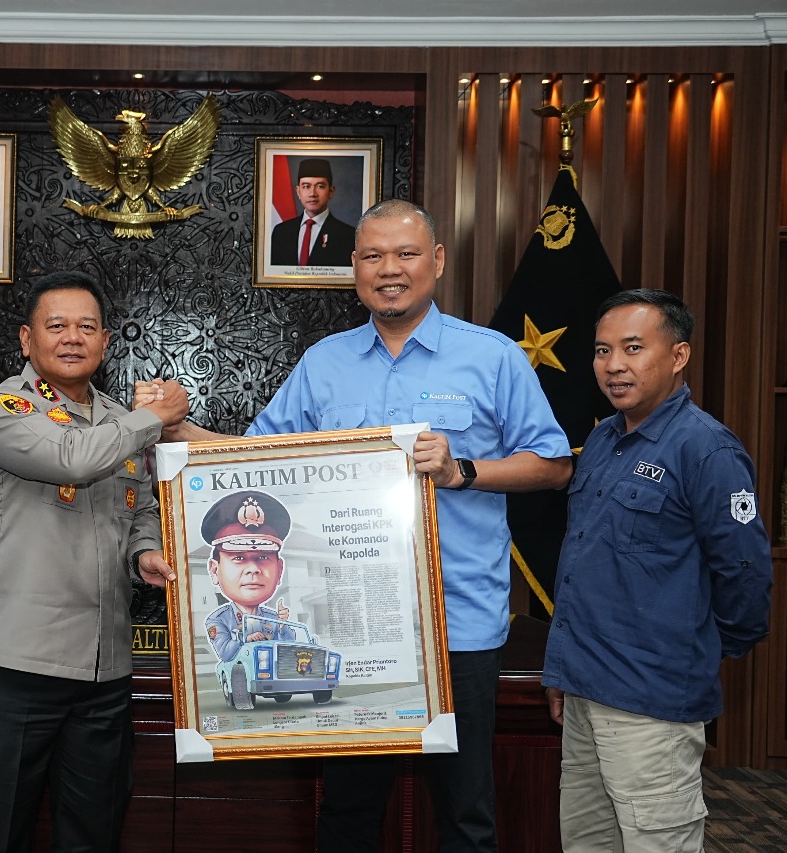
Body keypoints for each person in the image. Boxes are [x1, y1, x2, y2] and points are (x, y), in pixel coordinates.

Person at [140, 199, 572, 852]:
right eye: (373, 255)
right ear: (354, 267)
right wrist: (176, 431)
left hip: (457, 625)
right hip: (351, 626)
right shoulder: (325, 362)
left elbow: (554, 465)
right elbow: (255, 459)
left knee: (466, 813)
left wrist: (462, 470)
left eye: (405, 254)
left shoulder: (493, 357)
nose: (389, 269)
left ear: (437, 261)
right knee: (347, 810)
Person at [0, 270, 189, 852]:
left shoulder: (118, 420)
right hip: (17, 666)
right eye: (56, 325)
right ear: (26, 339)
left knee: (93, 835)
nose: (72, 338)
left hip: (104, 671)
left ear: (105, 343)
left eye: (86, 327)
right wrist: (155, 419)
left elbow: (138, 506)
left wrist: (144, 552)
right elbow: (72, 458)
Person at [542, 289, 771, 852]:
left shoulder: (706, 449)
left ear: (678, 356)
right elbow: (585, 565)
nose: (613, 365)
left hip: (652, 700)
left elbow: (745, 572)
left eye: (633, 348)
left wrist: (697, 652)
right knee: (587, 843)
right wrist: (564, 672)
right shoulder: (603, 439)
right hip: (584, 689)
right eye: (602, 350)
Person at [201, 489, 296, 662]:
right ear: (215, 570)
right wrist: (244, 639)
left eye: (263, 557)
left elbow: (289, 650)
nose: (253, 569)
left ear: (279, 570)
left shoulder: (274, 619)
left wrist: (283, 626)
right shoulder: (218, 620)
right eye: (238, 558)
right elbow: (225, 653)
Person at [269, 158, 356, 267]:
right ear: (298, 191)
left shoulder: (347, 235)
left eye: (320, 186)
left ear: (331, 191)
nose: (312, 194)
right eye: (306, 186)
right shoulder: (281, 232)